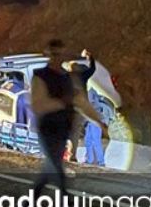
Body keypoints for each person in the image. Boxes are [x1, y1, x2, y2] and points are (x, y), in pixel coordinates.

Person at [29, 39, 106, 196]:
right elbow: (38, 105)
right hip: (47, 128)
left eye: (60, 54)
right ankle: (65, 196)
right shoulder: (40, 77)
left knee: (51, 166)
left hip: (63, 127)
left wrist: (98, 122)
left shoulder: (69, 78)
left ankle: (33, 197)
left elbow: (81, 102)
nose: (58, 58)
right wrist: (61, 102)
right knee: (55, 164)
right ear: (49, 55)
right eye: (54, 54)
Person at [66, 48, 98, 162]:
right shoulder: (82, 77)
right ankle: (72, 155)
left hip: (67, 108)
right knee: (75, 131)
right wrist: (91, 58)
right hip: (79, 108)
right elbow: (93, 68)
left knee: (68, 131)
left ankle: (65, 152)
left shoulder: (65, 77)